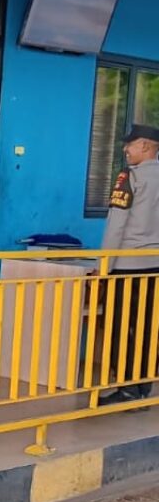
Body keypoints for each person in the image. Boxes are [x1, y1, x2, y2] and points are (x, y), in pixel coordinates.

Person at [99, 123, 159, 406]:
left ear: (145, 146)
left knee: (120, 327)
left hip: (127, 266)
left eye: (130, 144)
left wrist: (103, 266)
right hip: (155, 267)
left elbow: (116, 225)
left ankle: (126, 387)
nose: (126, 149)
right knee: (148, 327)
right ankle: (143, 385)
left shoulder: (129, 177)